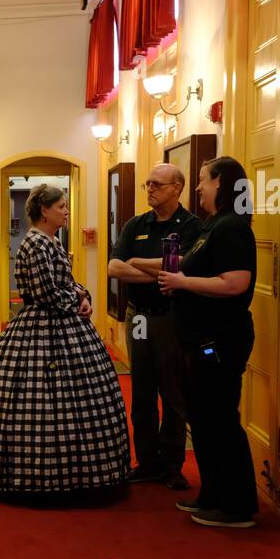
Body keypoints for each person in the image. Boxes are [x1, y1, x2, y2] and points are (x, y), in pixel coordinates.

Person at [0, 184, 129, 493]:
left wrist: (82, 295)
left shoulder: (51, 241)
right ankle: (38, 475)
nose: (66, 211)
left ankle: (71, 473)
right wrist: (77, 303)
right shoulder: (36, 243)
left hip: (63, 323)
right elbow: (45, 293)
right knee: (40, 397)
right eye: (61, 206)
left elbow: (66, 283)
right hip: (43, 326)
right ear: (44, 211)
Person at [157, 157, 258, 528]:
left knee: (220, 420)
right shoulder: (211, 226)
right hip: (198, 339)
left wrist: (182, 283)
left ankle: (237, 506)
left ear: (222, 184)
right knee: (201, 418)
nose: (198, 187)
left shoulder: (231, 227)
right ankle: (213, 494)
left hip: (219, 341)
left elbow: (235, 282)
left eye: (203, 180)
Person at [108, 163, 201, 490]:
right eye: (147, 184)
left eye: (157, 185)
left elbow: (181, 266)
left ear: (177, 188)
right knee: (142, 390)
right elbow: (114, 268)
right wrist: (159, 270)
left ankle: (172, 464)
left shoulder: (191, 226)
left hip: (171, 317)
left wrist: (138, 262)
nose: (149, 189)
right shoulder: (136, 224)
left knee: (173, 391)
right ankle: (147, 461)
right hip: (139, 317)